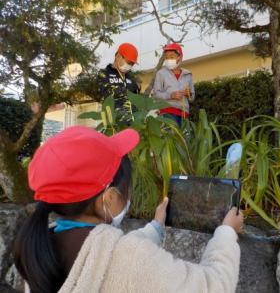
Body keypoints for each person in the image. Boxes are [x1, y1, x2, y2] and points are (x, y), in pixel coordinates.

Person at [14, 125, 243, 293]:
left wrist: (156, 227)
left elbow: (108, 253)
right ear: (110, 197)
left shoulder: (40, 246)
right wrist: (226, 234)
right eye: (127, 188)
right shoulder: (129, 257)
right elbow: (214, 286)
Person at [153, 43, 195, 127]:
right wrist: (170, 95)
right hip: (167, 112)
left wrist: (189, 94)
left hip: (184, 114)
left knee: (184, 139)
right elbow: (156, 95)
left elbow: (192, 98)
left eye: (171, 57)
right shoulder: (161, 73)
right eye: (166, 58)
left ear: (180, 57)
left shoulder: (188, 74)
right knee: (171, 137)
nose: (168, 60)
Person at [98, 43, 141, 115]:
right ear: (118, 56)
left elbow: (136, 96)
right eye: (129, 62)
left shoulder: (130, 76)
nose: (130, 66)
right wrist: (126, 90)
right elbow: (106, 94)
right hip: (115, 121)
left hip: (133, 119)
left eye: (132, 64)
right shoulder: (104, 74)